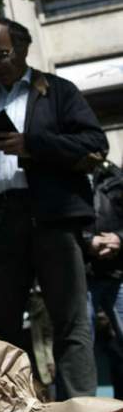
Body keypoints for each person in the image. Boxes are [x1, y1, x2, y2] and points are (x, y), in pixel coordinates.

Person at [0, 17, 107, 399]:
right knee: (4, 325)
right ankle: (17, 408)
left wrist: (33, 145)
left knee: (70, 321)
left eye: (2, 54)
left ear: (22, 48)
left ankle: (81, 411)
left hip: (53, 216)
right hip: (2, 218)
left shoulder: (57, 90)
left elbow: (94, 143)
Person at [84, 159, 123, 398]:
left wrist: (119, 238)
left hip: (117, 271)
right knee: (81, 347)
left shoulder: (115, 175)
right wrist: (87, 241)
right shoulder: (58, 175)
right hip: (83, 273)